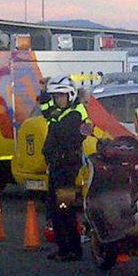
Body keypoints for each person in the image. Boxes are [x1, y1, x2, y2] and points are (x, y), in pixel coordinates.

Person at [42, 75, 89, 262]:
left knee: (65, 209)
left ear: (70, 96)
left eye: (60, 96)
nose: (57, 100)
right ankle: (63, 249)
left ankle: (74, 250)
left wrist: (52, 119)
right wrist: (44, 92)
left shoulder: (75, 113)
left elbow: (60, 131)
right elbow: (46, 111)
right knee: (54, 209)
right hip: (57, 166)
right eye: (55, 97)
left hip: (67, 168)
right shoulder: (62, 111)